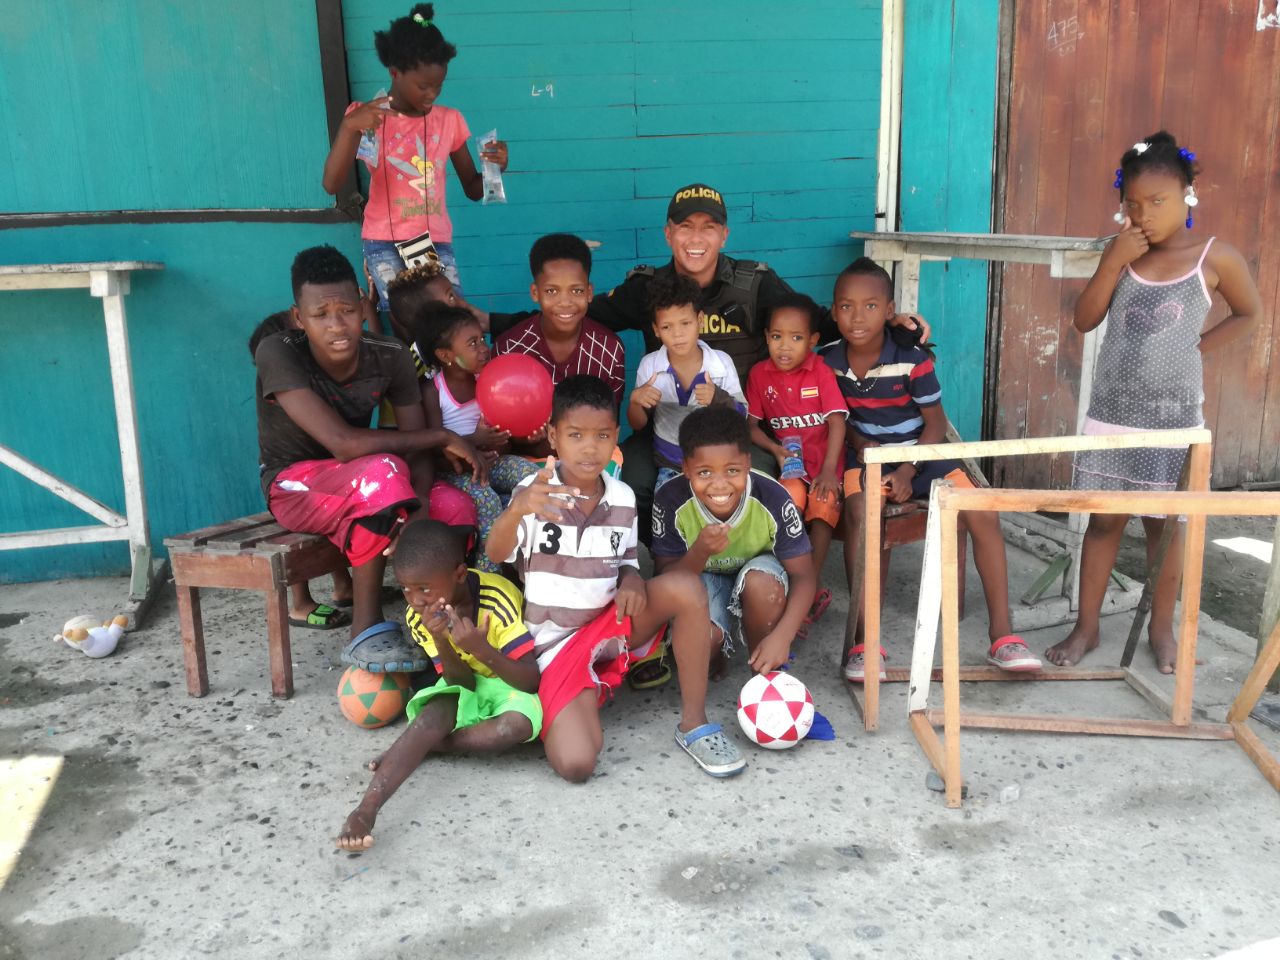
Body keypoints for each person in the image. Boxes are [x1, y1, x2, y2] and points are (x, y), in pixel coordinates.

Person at [484, 183, 930, 544]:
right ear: (668, 234)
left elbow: (816, 322)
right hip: (665, 432)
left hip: (741, 427)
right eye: (685, 227)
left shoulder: (753, 284)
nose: (696, 239)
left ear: (724, 236)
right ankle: (666, 561)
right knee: (631, 481)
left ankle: (755, 569)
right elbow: (574, 310)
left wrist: (890, 323)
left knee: (759, 481)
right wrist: (491, 322)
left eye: (708, 228)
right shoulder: (648, 288)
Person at [1045, 132, 1262, 673]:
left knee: (1165, 529)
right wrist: (1113, 261)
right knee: (1103, 524)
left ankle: (1161, 629)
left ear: (1188, 194)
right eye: (1133, 204)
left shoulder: (1214, 256)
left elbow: (1249, 312)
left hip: (1173, 421)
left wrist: (1197, 347)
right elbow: (1085, 320)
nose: (1143, 215)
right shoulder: (1124, 253)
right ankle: (1087, 627)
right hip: (1111, 415)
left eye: (1158, 201)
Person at [485, 376, 745, 780]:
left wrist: (632, 580)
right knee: (576, 764)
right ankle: (578, 692)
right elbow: (495, 553)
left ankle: (695, 723)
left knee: (685, 587)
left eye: (602, 435)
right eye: (576, 435)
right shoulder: (534, 492)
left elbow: (624, 560)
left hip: (611, 625)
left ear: (615, 436)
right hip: (556, 645)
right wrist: (517, 509)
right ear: (553, 436)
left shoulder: (621, 496)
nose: (590, 447)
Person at [824, 257, 1041, 680]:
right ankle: (865, 643)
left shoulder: (912, 358)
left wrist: (908, 469)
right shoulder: (827, 362)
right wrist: (861, 444)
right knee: (863, 513)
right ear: (833, 312)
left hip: (922, 452)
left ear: (890, 311)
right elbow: (838, 418)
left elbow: (936, 424)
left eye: (871, 306)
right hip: (867, 458)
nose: (857, 317)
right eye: (846, 307)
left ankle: (1004, 637)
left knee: (982, 508)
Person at [254, 245, 481, 640]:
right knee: (382, 475)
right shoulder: (278, 352)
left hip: (366, 481)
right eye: (320, 315)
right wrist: (444, 435)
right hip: (293, 486)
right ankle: (367, 630)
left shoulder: (390, 355)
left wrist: (420, 503)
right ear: (299, 318)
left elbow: (414, 447)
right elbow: (342, 443)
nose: (336, 326)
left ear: (362, 307)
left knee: (455, 505)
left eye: (346, 310)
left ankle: (456, 627)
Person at [335, 519, 541, 852]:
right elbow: (461, 683)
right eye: (405, 589)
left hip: (509, 681)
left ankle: (426, 747)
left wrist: (481, 650)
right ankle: (365, 809)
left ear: (459, 574)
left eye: (424, 589)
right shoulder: (419, 617)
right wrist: (441, 640)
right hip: (467, 681)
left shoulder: (496, 599)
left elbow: (531, 680)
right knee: (433, 715)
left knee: (515, 726)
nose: (415, 600)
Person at [321, 3, 509, 309]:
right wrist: (349, 127)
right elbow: (332, 184)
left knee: (447, 316)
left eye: (439, 85)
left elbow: (474, 190)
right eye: (423, 86)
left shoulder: (449, 121)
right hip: (383, 241)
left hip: (435, 242)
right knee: (406, 315)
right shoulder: (366, 117)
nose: (432, 94)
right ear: (395, 72)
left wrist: (496, 167)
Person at [651, 406, 818, 686]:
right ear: (686, 468)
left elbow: (804, 575)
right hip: (702, 576)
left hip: (760, 576)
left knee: (762, 586)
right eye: (705, 472)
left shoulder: (773, 497)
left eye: (732, 470)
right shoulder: (671, 499)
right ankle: (716, 653)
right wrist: (700, 552)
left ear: (748, 463)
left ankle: (763, 677)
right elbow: (666, 579)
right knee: (700, 646)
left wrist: (782, 636)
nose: (719, 485)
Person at [409, 301, 541, 571]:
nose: (483, 348)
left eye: (482, 339)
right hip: (456, 472)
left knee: (533, 477)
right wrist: (475, 440)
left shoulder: (489, 381)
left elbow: (504, 433)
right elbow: (436, 447)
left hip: (493, 462)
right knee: (488, 501)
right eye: (472, 343)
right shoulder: (434, 392)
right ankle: (487, 573)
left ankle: (536, 561)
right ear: (446, 355)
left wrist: (516, 436)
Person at [746, 294, 848, 622]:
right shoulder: (760, 374)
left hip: (826, 464)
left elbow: (837, 422)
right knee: (788, 504)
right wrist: (775, 449)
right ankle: (789, 583)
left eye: (796, 338)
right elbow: (751, 427)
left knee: (823, 505)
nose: (784, 347)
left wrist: (830, 471)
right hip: (792, 465)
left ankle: (807, 592)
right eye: (777, 337)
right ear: (766, 337)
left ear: (813, 340)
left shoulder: (820, 371)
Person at [627, 271, 746, 490]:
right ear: (656, 330)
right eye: (667, 327)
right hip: (669, 463)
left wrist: (718, 398)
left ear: (700, 321)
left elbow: (741, 417)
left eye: (685, 323)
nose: (678, 334)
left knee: (717, 507)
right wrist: (635, 402)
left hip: (715, 463)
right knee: (669, 508)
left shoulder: (720, 363)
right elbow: (638, 424)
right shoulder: (650, 366)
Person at [492, 233, 628, 414]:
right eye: (551, 291)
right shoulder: (509, 350)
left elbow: (608, 422)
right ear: (535, 293)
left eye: (577, 291)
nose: (565, 302)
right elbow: (502, 418)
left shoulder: (609, 350)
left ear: (589, 293)